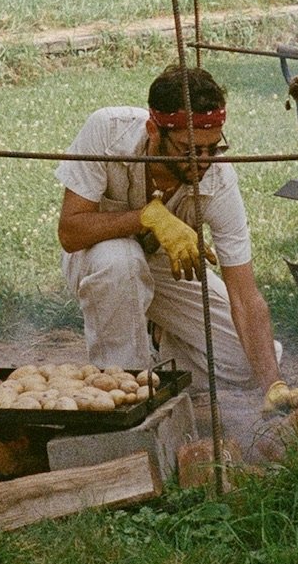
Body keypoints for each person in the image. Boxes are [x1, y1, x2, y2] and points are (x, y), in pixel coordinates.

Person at [56, 61, 281, 460]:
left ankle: (162, 346)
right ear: (154, 131)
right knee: (120, 260)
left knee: (250, 361)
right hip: (99, 256)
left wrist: (273, 385)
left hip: (167, 265)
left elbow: (245, 296)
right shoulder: (107, 131)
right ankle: (125, 399)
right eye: (190, 150)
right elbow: (71, 232)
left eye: (214, 147)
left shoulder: (217, 178)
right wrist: (146, 217)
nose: (205, 160)